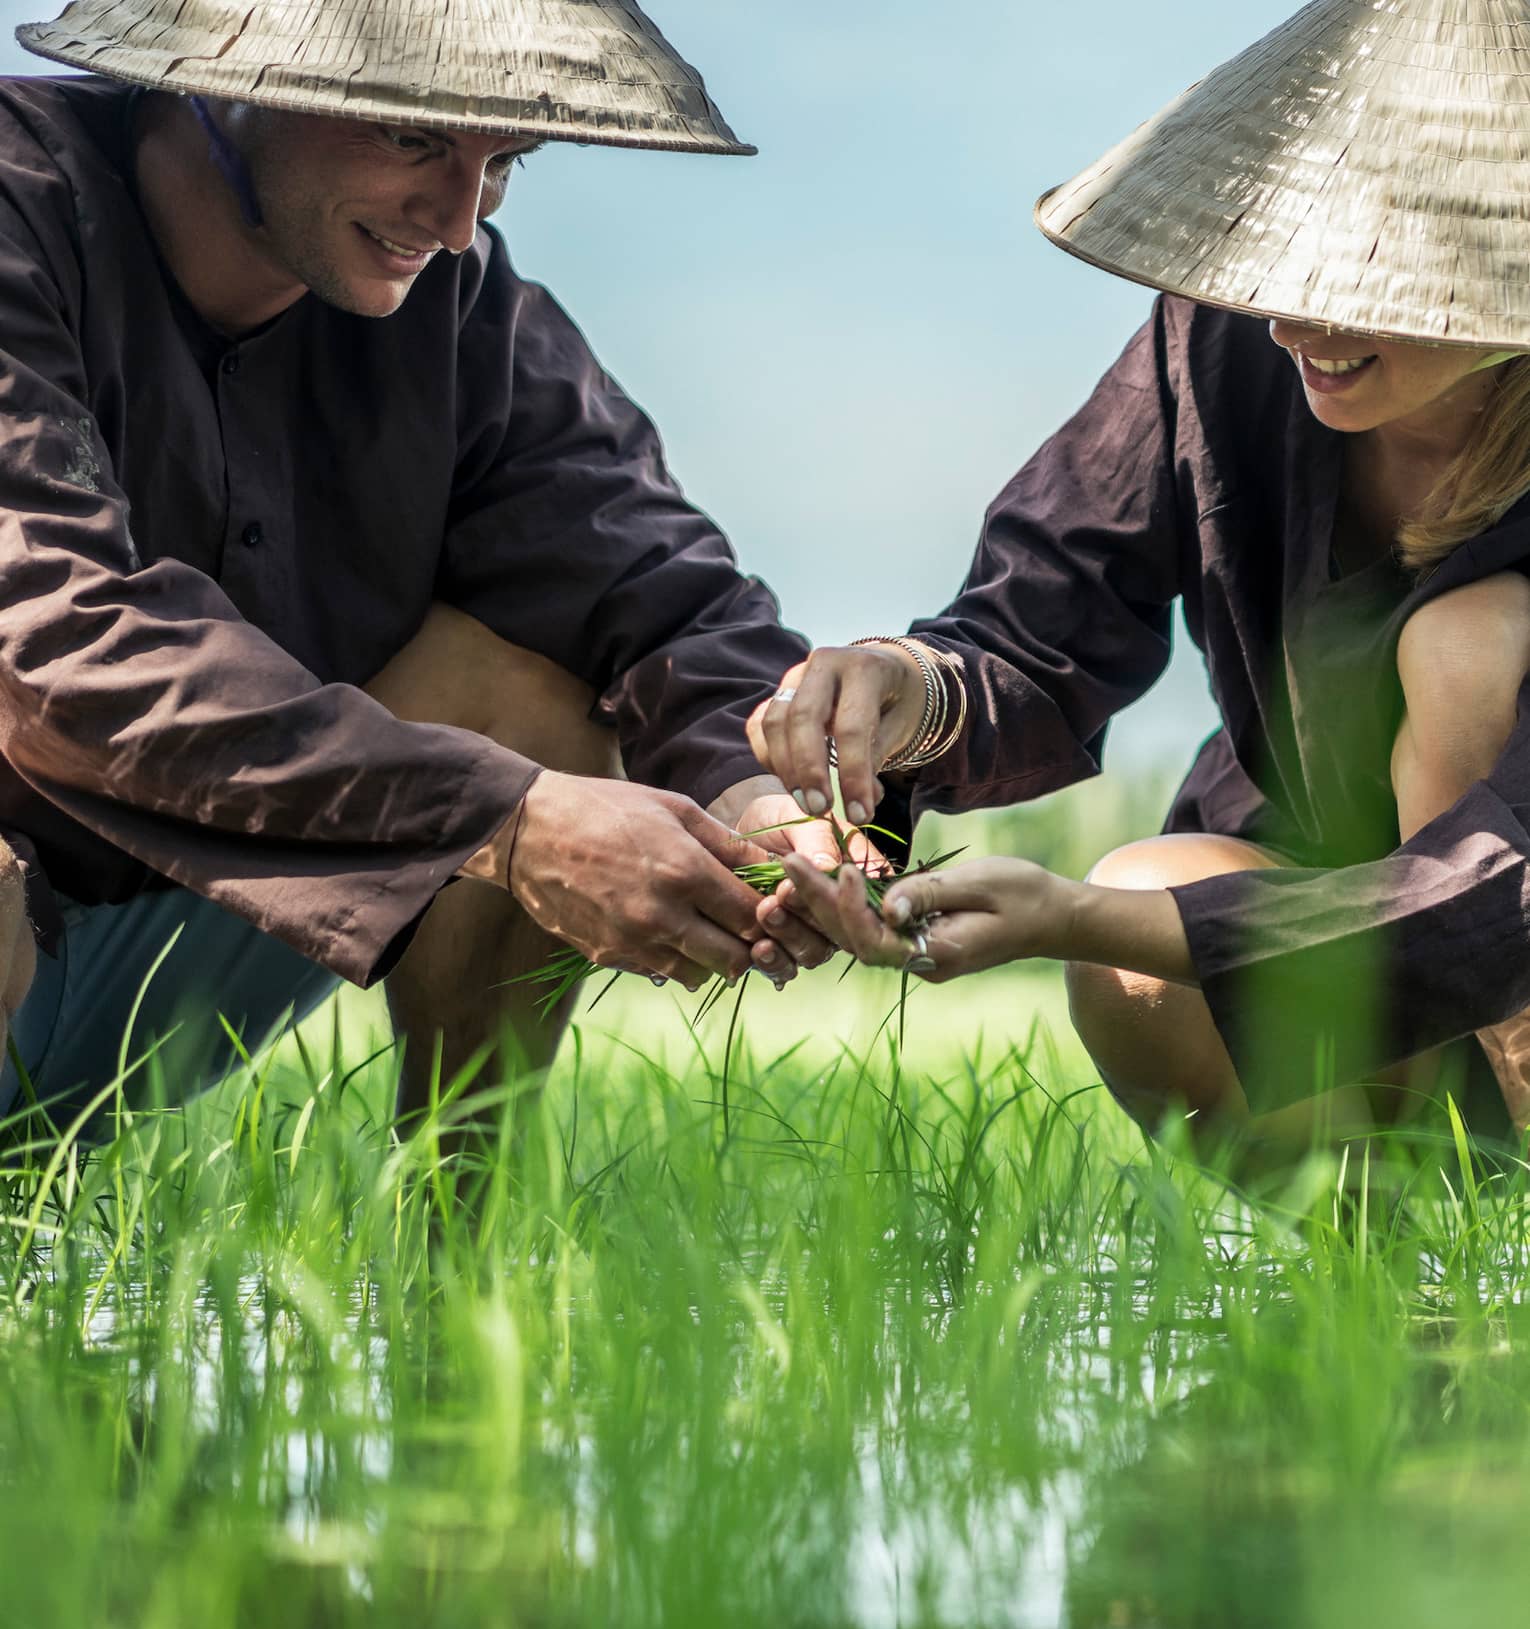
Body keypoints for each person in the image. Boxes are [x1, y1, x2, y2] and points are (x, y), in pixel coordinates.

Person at [0, 0, 838, 1134]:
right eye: (412, 138)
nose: (454, 222)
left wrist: (767, 798)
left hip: (190, 918)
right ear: (237, 70)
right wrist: (506, 822)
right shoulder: (20, 210)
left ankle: (464, 1280)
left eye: (504, 163)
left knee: (532, 692)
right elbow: (55, 645)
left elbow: (647, 574)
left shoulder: (458, 305)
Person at [746, 0, 1530, 1153]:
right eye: (1283, 253)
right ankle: (1394, 1265)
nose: (1293, 318)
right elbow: (1040, 624)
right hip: (1315, 937)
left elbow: (1505, 889)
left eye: (1371, 272)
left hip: (1496, 937)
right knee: (1142, 929)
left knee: (1466, 647)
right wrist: (897, 695)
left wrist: (1072, 912)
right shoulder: (1219, 347)